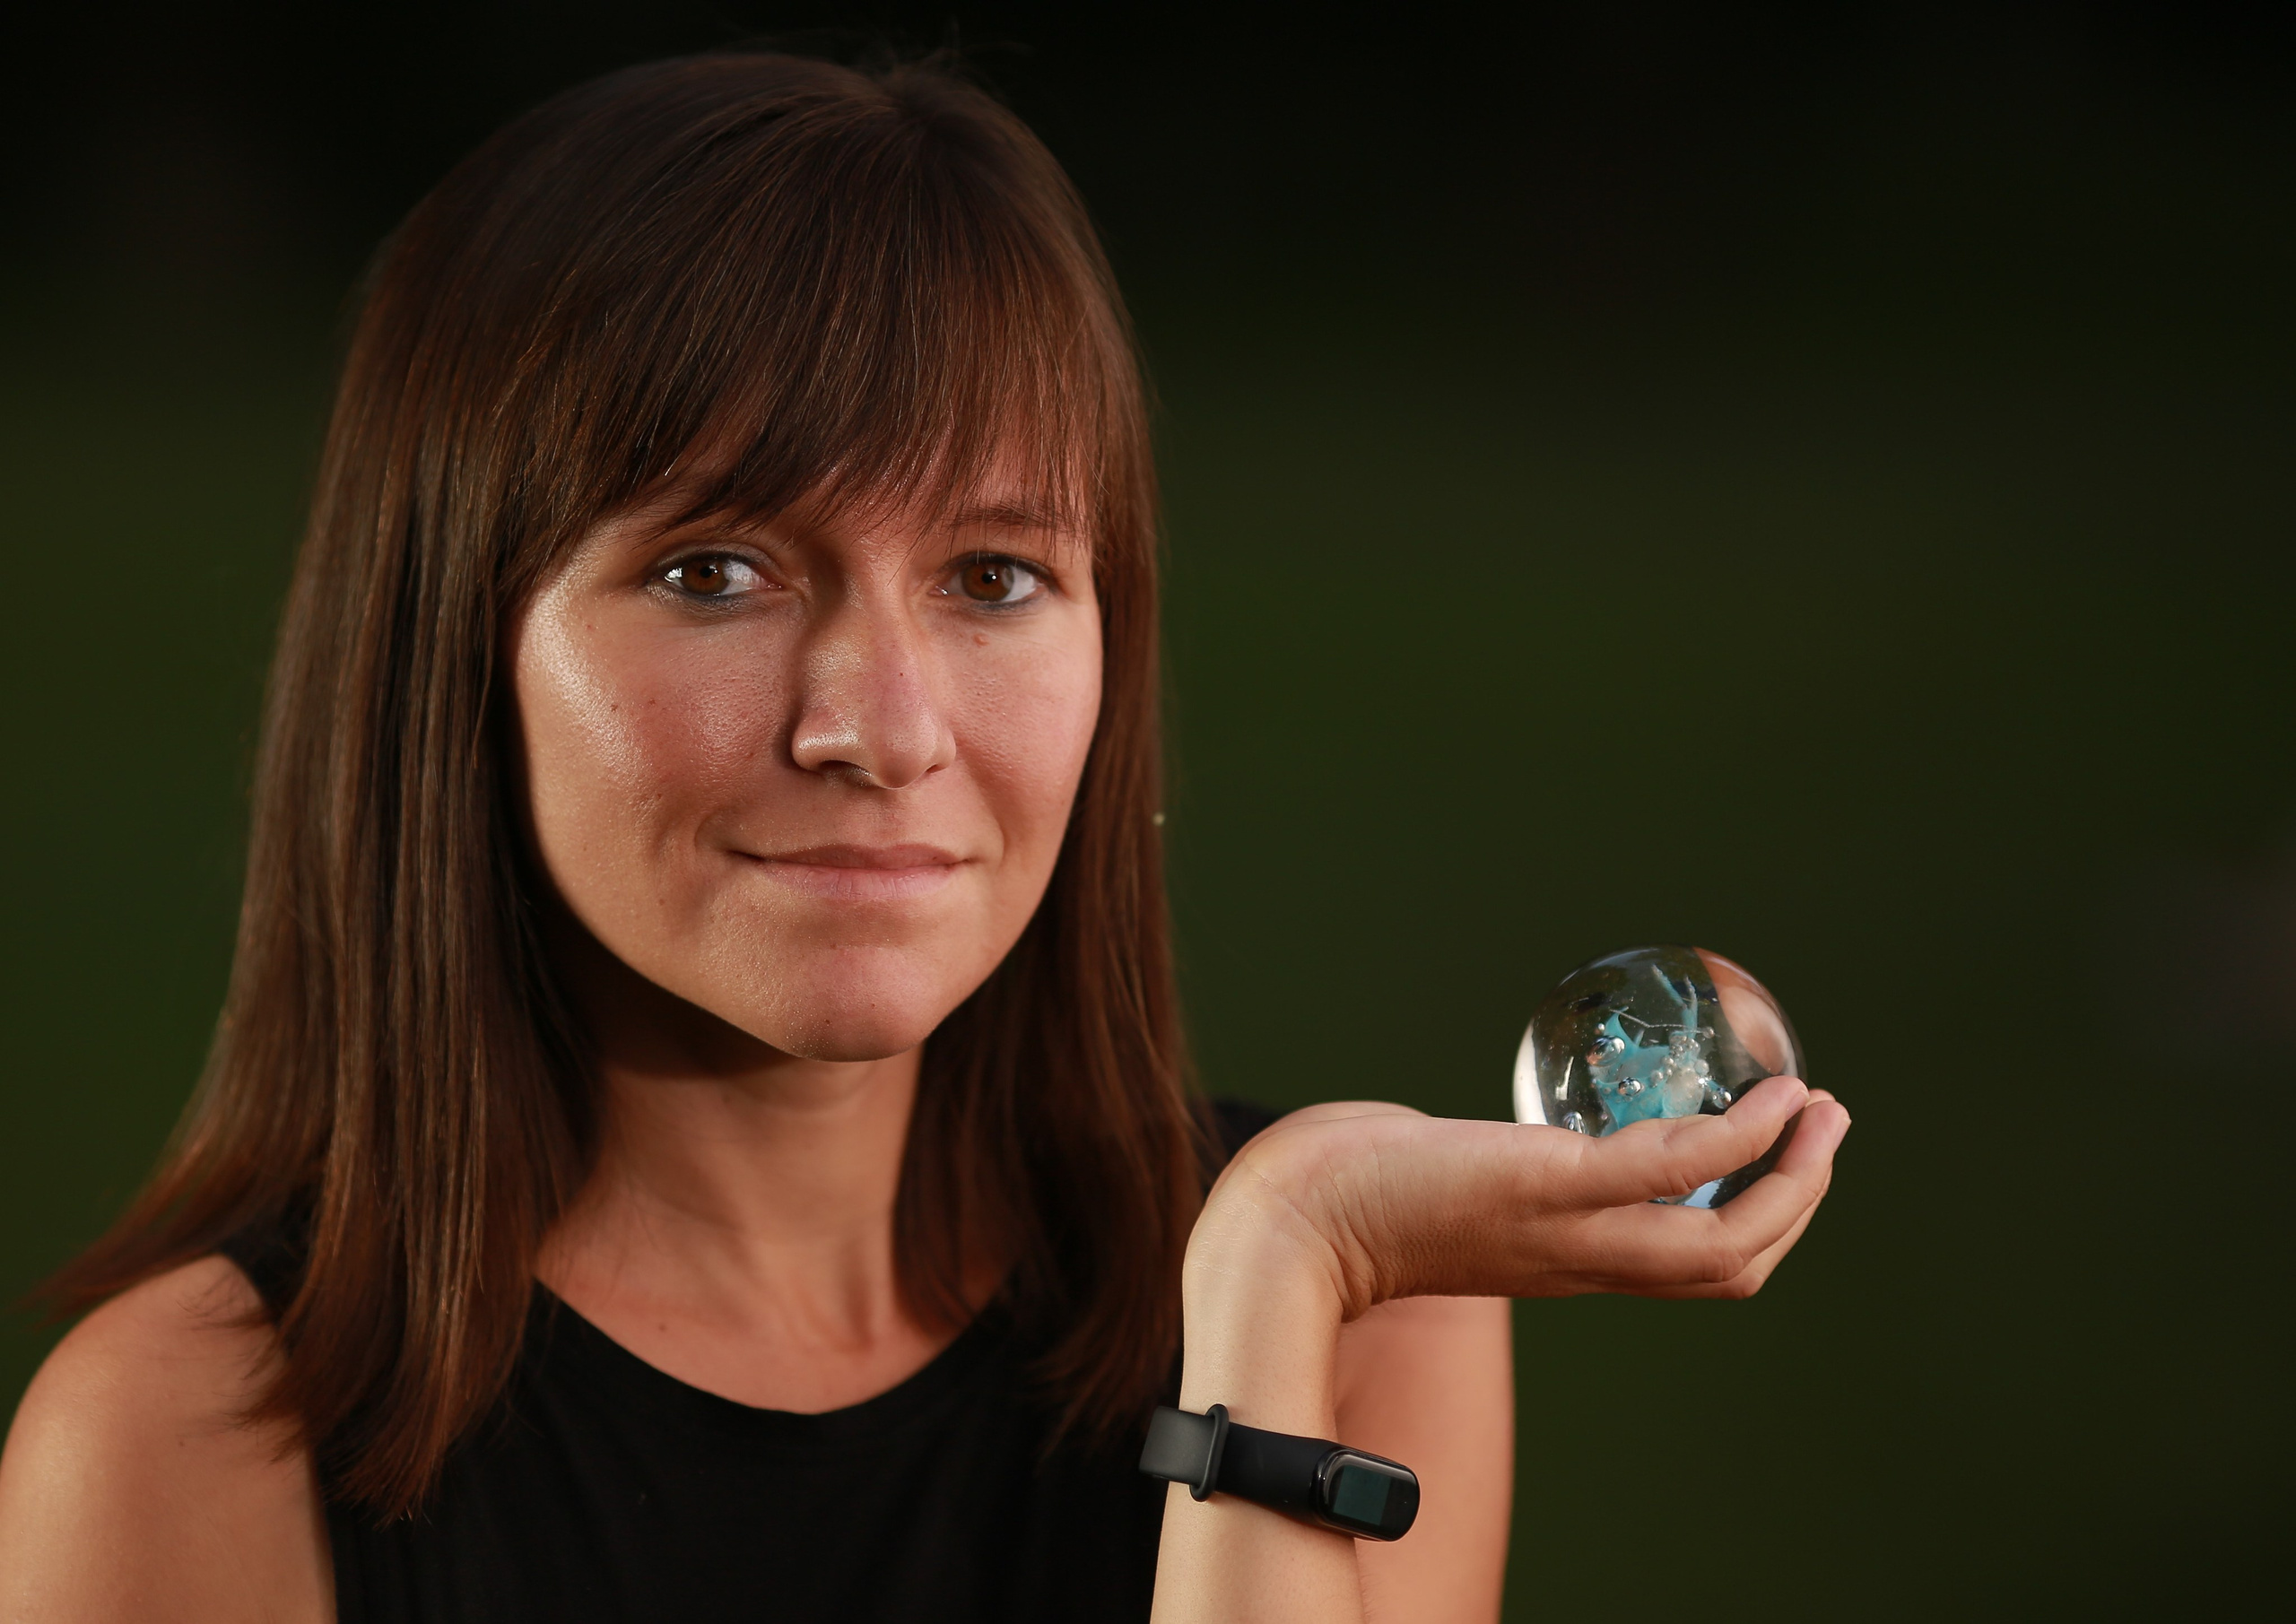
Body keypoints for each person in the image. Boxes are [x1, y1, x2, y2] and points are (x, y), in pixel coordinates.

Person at [0, 52, 1848, 1624]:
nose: (881, 726)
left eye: (992, 576)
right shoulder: (185, 1446)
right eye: (712, 571)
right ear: (452, 653)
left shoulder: (1353, 1299)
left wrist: (1277, 1279)